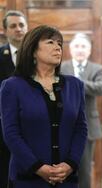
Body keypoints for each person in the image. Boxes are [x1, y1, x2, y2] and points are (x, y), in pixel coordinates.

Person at [0, 25, 87, 187]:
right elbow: (11, 133)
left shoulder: (75, 85)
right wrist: (38, 167)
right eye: (50, 42)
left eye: (59, 44)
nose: (57, 47)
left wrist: (70, 164)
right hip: (27, 178)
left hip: (66, 178)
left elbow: (81, 129)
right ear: (32, 50)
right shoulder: (12, 86)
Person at [60, 33, 102, 188]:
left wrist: (75, 82)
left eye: (83, 46)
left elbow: (100, 88)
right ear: (71, 50)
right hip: (62, 123)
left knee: (84, 168)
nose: (80, 50)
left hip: (87, 126)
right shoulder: (61, 67)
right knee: (63, 166)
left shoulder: (97, 68)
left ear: (89, 50)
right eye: (76, 46)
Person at [0, 10, 28, 188]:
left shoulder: (38, 56)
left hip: (30, 123)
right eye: (13, 26)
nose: (18, 29)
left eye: (21, 25)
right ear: (5, 31)